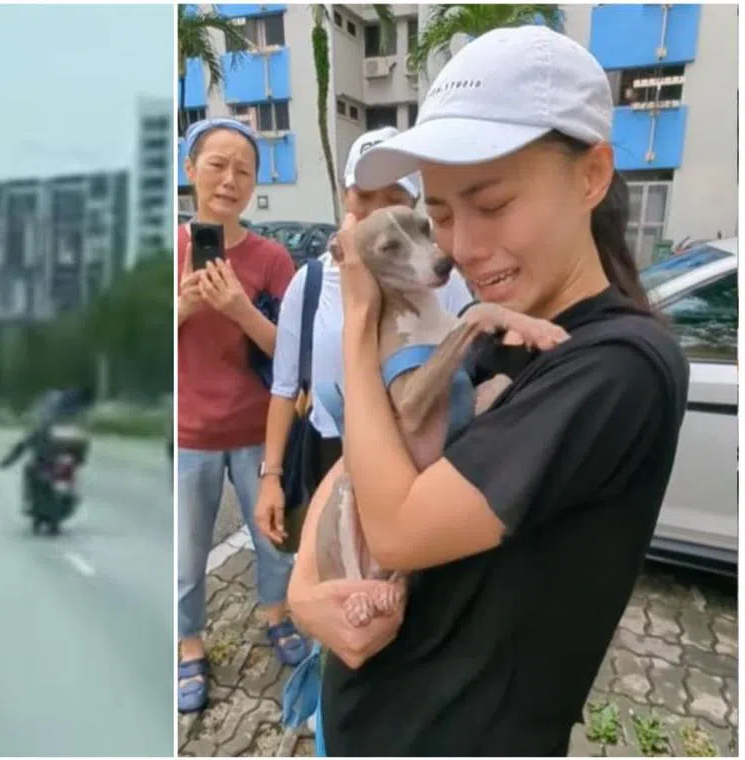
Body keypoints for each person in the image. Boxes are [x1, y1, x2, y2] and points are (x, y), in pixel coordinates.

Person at [287, 25, 688, 756]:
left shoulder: (617, 366)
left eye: (493, 204)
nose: (461, 247)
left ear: (591, 176)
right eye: (439, 213)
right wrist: (302, 594)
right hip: (359, 723)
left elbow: (398, 524)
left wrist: (355, 327)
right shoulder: (498, 327)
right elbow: (361, 464)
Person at [255, 127, 472, 548]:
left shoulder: (441, 279)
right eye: (363, 196)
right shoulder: (311, 282)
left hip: (422, 455)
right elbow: (284, 387)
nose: (374, 212)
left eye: (392, 198)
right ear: (344, 197)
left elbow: (473, 362)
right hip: (332, 451)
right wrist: (271, 476)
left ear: (411, 207)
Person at [177, 117, 307, 714]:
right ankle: (189, 645)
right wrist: (182, 305)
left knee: (274, 542)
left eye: (243, 170)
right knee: (186, 555)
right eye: (217, 164)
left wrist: (238, 309)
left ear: (255, 183)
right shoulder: (167, 254)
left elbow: (292, 352)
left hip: (259, 434)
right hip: (189, 436)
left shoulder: (272, 258)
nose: (230, 179)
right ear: (190, 170)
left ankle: (276, 613)